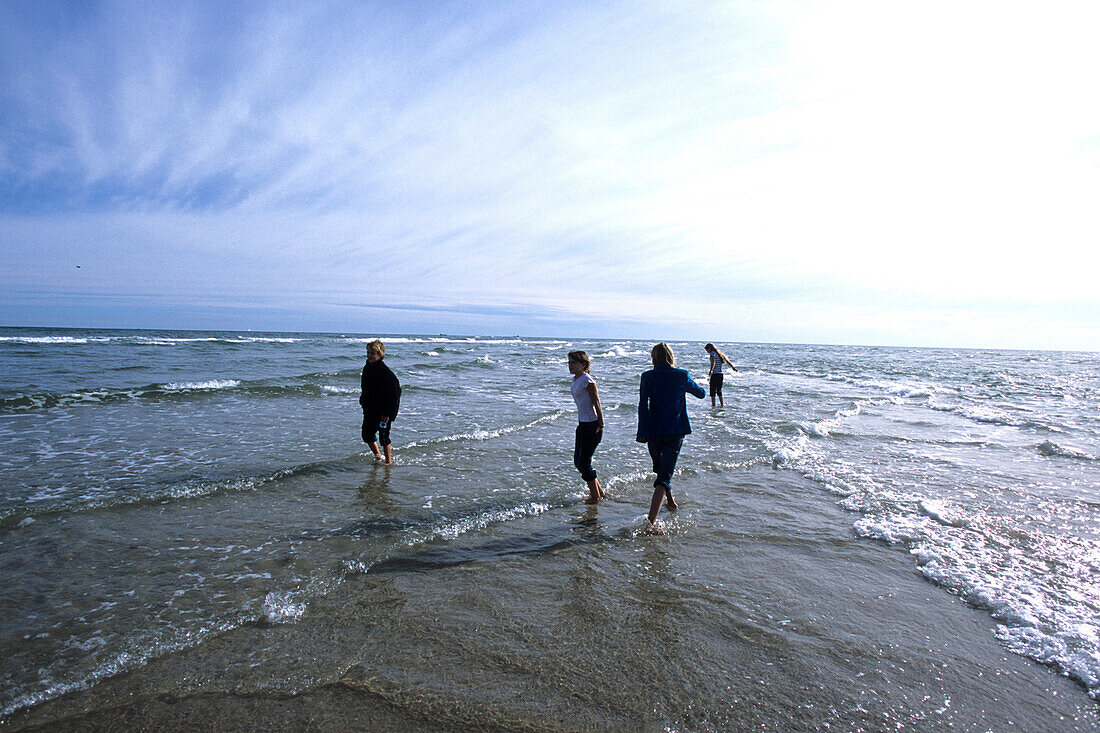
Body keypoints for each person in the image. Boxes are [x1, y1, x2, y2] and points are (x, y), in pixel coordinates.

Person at [636, 342, 706, 528]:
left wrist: (642, 432)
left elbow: (643, 406)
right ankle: (651, 523)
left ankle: (670, 502)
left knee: (661, 470)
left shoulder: (647, 376)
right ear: (671, 357)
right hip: (675, 431)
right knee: (663, 474)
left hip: (652, 432)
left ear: (654, 358)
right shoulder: (681, 375)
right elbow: (701, 394)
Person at [567, 350, 606, 504]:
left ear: (583, 364)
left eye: (573, 363)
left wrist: (601, 424)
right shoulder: (575, 379)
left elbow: (597, 402)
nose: (570, 366)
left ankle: (595, 497)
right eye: (568, 363)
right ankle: (600, 492)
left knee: (584, 462)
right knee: (578, 462)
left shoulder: (587, 381)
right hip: (582, 424)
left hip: (592, 425)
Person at [360, 339, 401, 464]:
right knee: (366, 435)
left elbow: (396, 393)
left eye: (372, 353)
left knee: (384, 437)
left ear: (380, 355)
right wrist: (363, 401)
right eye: (368, 352)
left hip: (384, 412)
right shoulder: (367, 368)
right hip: (370, 409)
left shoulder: (385, 372)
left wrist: (388, 414)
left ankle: (388, 463)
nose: (369, 355)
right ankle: (378, 455)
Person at [704, 343, 737, 407]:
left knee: (712, 390)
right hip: (720, 374)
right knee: (719, 390)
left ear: (710, 348)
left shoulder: (712, 353)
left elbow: (713, 362)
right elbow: (727, 361)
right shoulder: (719, 354)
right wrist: (733, 367)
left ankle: (713, 405)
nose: (707, 351)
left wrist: (711, 370)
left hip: (715, 374)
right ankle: (722, 404)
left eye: (707, 350)